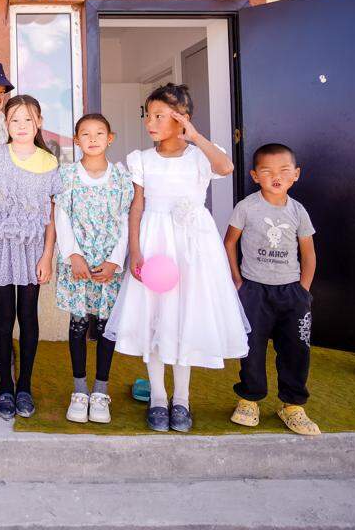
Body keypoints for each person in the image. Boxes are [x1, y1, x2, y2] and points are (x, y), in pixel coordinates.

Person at [104, 83, 249, 433]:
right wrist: (135, 249)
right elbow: (136, 206)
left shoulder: (200, 156)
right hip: (155, 242)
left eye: (160, 116)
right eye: (148, 115)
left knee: (185, 316)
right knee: (155, 317)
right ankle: (157, 396)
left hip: (192, 247)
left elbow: (226, 167)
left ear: (181, 119)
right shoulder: (141, 159)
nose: (150, 122)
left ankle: (181, 398)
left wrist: (195, 136)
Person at [225, 143, 319, 436]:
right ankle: (249, 399)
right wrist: (238, 281)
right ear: (255, 175)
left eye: (284, 171)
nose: (276, 177)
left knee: (296, 350)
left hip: (292, 292)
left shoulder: (298, 211)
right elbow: (229, 243)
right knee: (251, 347)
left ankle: (292, 405)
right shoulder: (246, 207)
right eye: (267, 171)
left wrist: (303, 289)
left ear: (296, 174)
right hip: (254, 290)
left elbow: (308, 253)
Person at [0, 95, 61, 421]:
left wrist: (47, 256)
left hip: (33, 249)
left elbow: (53, 216)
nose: (22, 126)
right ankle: (6, 386)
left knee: (28, 315)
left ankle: (24, 385)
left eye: (28, 119)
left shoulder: (49, 162)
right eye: (15, 119)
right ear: (6, 124)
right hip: (0, 245)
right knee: (3, 316)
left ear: (39, 122)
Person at [54, 114, 134, 425]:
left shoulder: (121, 177)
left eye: (99, 133)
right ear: (76, 140)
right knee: (78, 323)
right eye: (85, 134)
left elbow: (126, 220)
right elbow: (62, 216)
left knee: (104, 325)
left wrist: (115, 260)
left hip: (107, 264)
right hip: (78, 263)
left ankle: (100, 391)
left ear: (110, 138)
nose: (92, 139)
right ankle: (79, 390)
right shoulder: (68, 175)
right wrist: (73, 255)